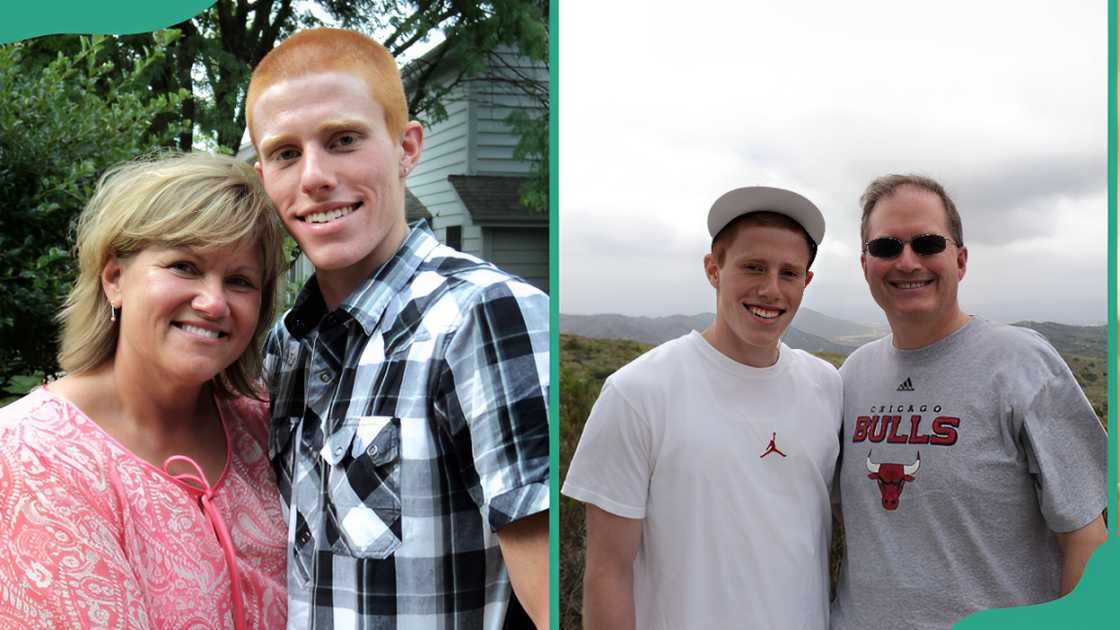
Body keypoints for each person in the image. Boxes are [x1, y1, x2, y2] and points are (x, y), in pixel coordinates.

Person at [245, 28, 550, 629]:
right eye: (285, 153)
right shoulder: (285, 348)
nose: (314, 177)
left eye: (343, 140)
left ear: (407, 149)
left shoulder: (481, 316)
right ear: (264, 176)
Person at [0, 152, 289, 628]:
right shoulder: (33, 455)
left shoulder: (264, 423)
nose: (213, 302)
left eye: (239, 281)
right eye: (185, 266)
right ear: (115, 278)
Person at [831, 174, 1107, 630]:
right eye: (886, 247)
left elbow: (1085, 537)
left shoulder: (1022, 363)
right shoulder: (850, 377)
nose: (907, 262)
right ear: (865, 265)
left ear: (959, 260)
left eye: (927, 244)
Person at [563, 186, 843, 629]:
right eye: (753, 267)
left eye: (788, 273)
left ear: (805, 282)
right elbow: (607, 573)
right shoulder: (637, 393)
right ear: (714, 269)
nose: (771, 289)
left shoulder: (826, 386)